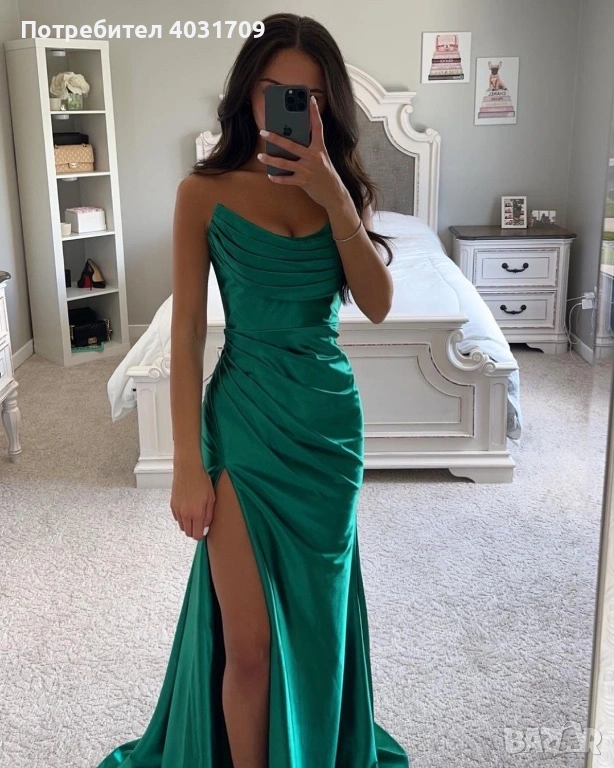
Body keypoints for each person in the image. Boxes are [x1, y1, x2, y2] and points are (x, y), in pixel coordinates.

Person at [97, 12, 410, 768]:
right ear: (248, 93)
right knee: (247, 647)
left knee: (317, 620)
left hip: (326, 431)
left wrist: (335, 198)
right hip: (244, 423)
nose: (293, 107)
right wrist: (187, 463)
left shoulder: (342, 190)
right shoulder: (202, 193)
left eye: (311, 95)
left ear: (328, 104)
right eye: (277, 90)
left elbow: (377, 304)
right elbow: (184, 335)